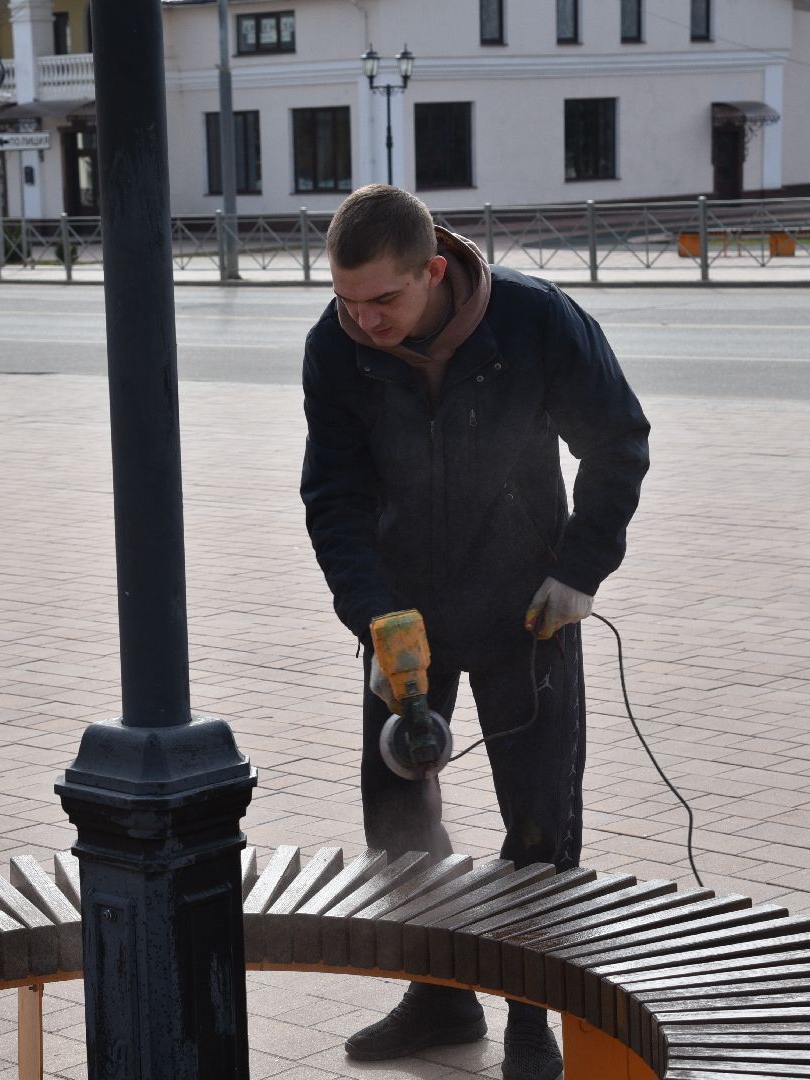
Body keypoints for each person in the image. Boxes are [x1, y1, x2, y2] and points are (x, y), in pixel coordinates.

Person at [299, 185, 649, 1080]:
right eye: (347, 300)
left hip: (526, 609)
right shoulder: (333, 349)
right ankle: (441, 994)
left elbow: (617, 440)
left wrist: (578, 569)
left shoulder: (533, 321)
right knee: (399, 818)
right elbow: (332, 497)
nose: (363, 320)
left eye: (384, 300)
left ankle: (531, 1015)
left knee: (538, 818)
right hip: (403, 618)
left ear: (436, 271)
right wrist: (372, 614)